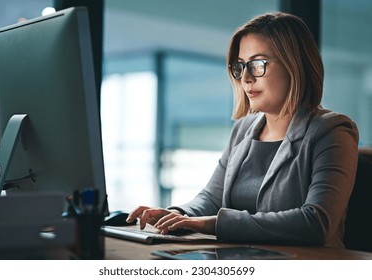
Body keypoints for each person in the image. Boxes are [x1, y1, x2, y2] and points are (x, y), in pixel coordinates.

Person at [126, 12, 359, 248]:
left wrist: (212, 224)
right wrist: (174, 214)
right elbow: (211, 198)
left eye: (257, 64)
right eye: (241, 66)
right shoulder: (244, 128)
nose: (245, 78)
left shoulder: (332, 131)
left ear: (294, 65)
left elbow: (315, 222)